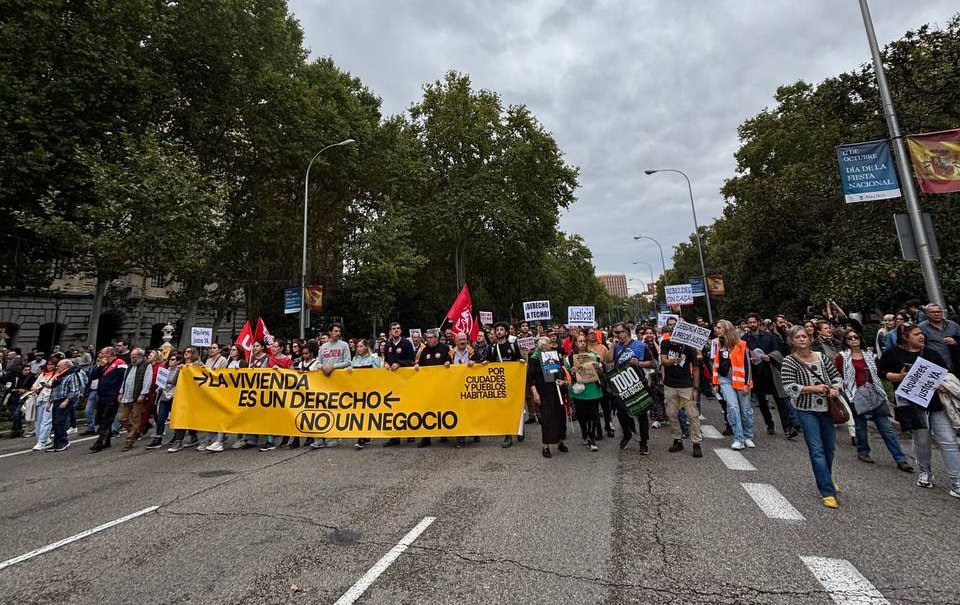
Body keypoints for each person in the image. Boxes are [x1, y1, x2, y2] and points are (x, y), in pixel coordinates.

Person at [879, 323, 960, 497]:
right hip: (912, 406)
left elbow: (945, 374)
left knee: (948, 441)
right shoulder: (893, 354)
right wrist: (899, 377)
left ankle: (957, 481)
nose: (921, 336)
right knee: (922, 441)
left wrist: (943, 386)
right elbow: (882, 373)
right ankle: (925, 471)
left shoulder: (931, 353)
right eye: (916, 334)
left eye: (922, 333)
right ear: (905, 337)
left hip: (936, 404)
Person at [781, 325, 844, 509]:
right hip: (806, 410)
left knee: (829, 448)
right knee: (816, 450)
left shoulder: (821, 357)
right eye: (797, 337)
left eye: (804, 336)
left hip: (827, 408)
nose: (802, 339)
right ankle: (826, 491)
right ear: (792, 341)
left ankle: (827, 479)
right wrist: (812, 389)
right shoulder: (789, 361)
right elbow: (789, 387)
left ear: (809, 338)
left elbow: (836, 376)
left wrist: (835, 388)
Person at [836, 330, 913, 472]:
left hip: (876, 394)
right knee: (860, 426)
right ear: (845, 341)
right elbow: (838, 375)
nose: (853, 339)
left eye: (856, 336)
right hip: (856, 395)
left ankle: (901, 459)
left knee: (886, 428)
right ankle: (863, 451)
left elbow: (880, 373)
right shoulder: (842, 357)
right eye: (850, 338)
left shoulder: (871, 356)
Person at [604, 321, 653, 455]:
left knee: (642, 414)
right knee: (621, 413)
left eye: (619, 332)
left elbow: (652, 363)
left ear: (627, 332)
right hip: (621, 385)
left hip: (637, 383)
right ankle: (627, 433)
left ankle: (644, 442)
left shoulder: (640, 346)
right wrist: (613, 346)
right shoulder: (616, 346)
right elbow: (607, 360)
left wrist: (639, 363)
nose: (617, 335)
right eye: (615, 333)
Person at [661, 323, 702, 458]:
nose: (674, 335)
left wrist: (696, 388)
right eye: (673, 332)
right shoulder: (665, 343)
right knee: (671, 413)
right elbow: (664, 361)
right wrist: (672, 361)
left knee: (692, 414)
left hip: (686, 385)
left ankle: (696, 443)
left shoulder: (690, 348)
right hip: (670, 385)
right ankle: (677, 440)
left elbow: (695, 369)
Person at [712, 319, 753, 451]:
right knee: (733, 408)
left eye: (719, 328)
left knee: (745, 410)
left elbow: (747, 365)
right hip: (725, 380)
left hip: (741, 381)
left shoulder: (741, 344)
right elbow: (716, 363)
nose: (716, 330)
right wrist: (715, 382)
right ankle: (738, 438)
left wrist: (747, 383)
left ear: (726, 329)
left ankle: (747, 436)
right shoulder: (718, 344)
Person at [486, 321, 526, 448]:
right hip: (501, 383)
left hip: (513, 382)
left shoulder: (513, 345)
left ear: (506, 332)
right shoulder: (492, 347)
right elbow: (489, 363)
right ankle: (508, 435)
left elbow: (519, 359)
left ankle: (519, 429)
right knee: (505, 408)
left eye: (501, 330)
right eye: (497, 330)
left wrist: (521, 362)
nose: (499, 332)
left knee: (517, 406)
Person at [528, 337, 568, 458]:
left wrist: (563, 381)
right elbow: (531, 378)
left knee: (560, 416)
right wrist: (535, 392)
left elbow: (561, 371)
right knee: (547, 418)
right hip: (544, 392)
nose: (552, 345)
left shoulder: (554, 355)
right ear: (543, 346)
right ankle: (546, 445)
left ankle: (561, 441)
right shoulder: (534, 359)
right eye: (549, 343)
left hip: (557, 390)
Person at [741, 313, 779, 436]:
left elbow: (777, 349)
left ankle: (789, 424)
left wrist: (770, 357)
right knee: (762, 401)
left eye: (754, 322)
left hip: (770, 371)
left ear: (758, 322)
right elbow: (742, 356)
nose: (752, 324)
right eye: (749, 322)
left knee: (779, 398)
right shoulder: (744, 339)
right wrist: (749, 360)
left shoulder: (769, 336)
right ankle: (770, 424)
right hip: (756, 373)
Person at [413, 330, 451, 448]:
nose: (428, 339)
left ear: (436, 338)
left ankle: (443, 434)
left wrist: (448, 362)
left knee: (442, 409)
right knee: (427, 411)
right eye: (427, 338)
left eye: (431, 337)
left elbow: (452, 361)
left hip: (442, 385)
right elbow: (421, 364)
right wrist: (417, 366)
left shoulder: (445, 348)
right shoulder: (424, 351)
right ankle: (426, 438)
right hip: (428, 387)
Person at [565, 333, 601, 452]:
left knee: (593, 414)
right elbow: (567, 375)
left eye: (584, 341)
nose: (582, 343)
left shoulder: (594, 356)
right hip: (579, 391)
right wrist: (572, 372)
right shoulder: (569, 359)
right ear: (575, 343)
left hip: (593, 390)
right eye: (579, 341)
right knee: (581, 415)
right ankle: (584, 434)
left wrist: (598, 368)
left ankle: (591, 438)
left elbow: (602, 372)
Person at [90, 347, 128, 452]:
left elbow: (123, 378)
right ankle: (107, 440)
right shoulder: (104, 364)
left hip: (112, 395)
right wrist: (99, 366)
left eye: (102, 353)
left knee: (107, 418)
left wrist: (121, 392)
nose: (101, 355)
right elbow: (93, 376)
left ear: (109, 354)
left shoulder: (120, 363)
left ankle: (100, 442)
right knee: (102, 417)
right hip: (102, 395)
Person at [165, 348, 203, 452]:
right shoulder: (181, 366)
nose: (186, 353)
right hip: (181, 395)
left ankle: (193, 436)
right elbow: (174, 382)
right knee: (181, 416)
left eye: (189, 351)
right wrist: (179, 370)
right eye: (185, 351)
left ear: (193, 354)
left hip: (193, 395)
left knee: (190, 417)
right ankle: (179, 441)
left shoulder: (197, 364)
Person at [348, 339, 381, 450]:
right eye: (358, 347)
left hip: (370, 390)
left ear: (366, 347)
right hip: (358, 390)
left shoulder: (374, 358)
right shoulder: (355, 359)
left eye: (361, 346)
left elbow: (378, 374)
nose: (359, 348)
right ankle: (361, 437)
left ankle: (364, 435)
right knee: (359, 413)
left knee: (367, 413)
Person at [46, 359, 87, 452]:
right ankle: (56, 443)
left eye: (59, 365)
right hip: (56, 400)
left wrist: (66, 401)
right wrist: (50, 402)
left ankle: (63, 442)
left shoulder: (71, 375)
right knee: (55, 423)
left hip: (64, 401)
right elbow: (55, 390)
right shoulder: (59, 376)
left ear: (66, 366)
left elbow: (74, 390)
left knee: (60, 422)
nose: (57, 367)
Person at [117, 348, 152, 451]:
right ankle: (136, 432)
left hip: (137, 395)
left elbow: (147, 380)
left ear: (140, 357)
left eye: (134, 357)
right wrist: (121, 392)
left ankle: (130, 440)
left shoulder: (146, 365)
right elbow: (125, 379)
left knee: (136, 418)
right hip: (127, 395)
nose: (132, 359)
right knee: (123, 418)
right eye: (131, 357)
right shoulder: (130, 366)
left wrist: (143, 393)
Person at [919, 303, 960, 371]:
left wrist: (956, 341)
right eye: (933, 312)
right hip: (936, 366)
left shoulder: (953, 325)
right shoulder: (922, 327)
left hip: (956, 363)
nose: (936, 314)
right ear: (927, 314)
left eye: (938, 312)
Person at [29, 359, 57, 451]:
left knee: (46, 421)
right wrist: (35, 388)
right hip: (40, 399)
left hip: (50, 399)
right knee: (38, 421)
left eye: (52, 364)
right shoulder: (43, 374)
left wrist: (48, 386)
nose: (50, 366)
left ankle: (42, 441)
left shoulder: (57, 374)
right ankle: (43, 439)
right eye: (48, 364)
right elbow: (34, 385)